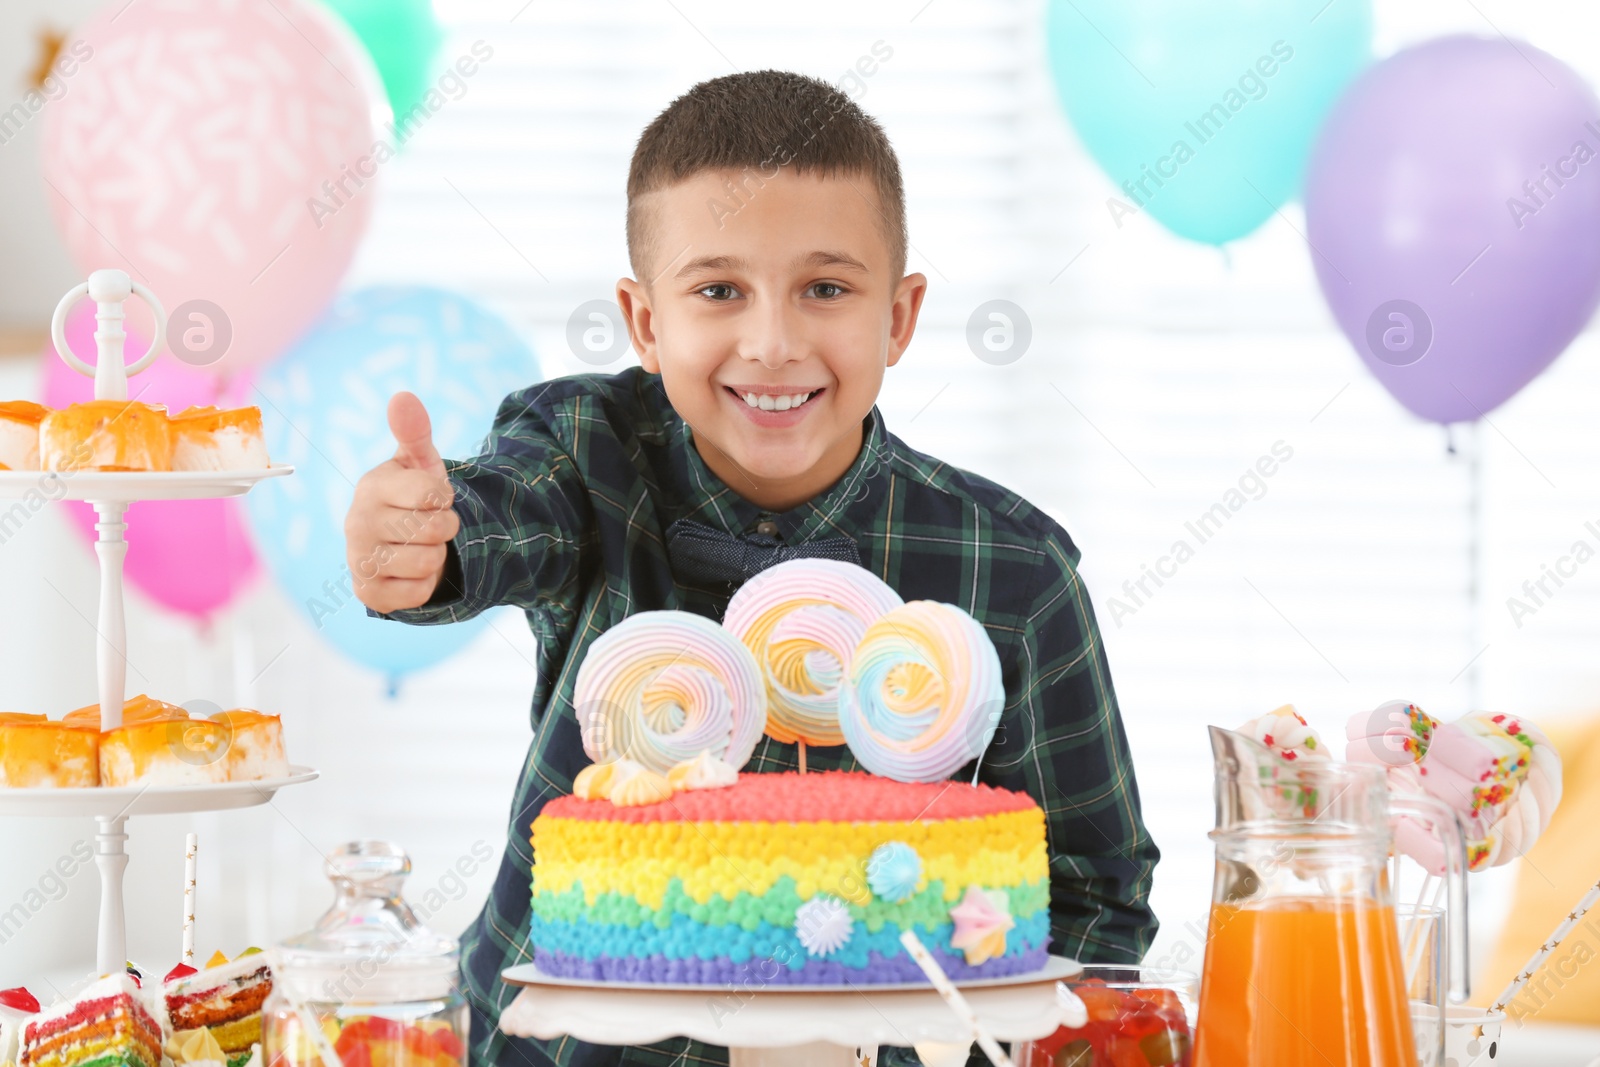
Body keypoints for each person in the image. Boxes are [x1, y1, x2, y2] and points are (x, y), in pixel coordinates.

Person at [345, 69, 1160, 1067]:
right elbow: (501, 517)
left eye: (825, 288)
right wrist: (428, 544)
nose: (771, 343)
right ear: (645, 321)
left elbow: (1088, 896)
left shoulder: (1017, 570)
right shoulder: (586, 451)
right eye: (718, 289)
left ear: (899, 317)